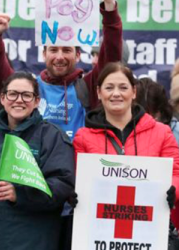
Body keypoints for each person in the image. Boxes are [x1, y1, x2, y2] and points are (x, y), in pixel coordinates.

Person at [0, 0, 122, 141]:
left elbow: (111, 57)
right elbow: (0, 78)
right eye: (54, 50)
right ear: (44, 53)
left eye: (67, 50)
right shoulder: (30, 88)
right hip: (33, 165)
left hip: (76, 165)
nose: (60, 56)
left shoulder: (88, 87)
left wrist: (109, 6)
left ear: (78, 55)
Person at [0, 72, 75, 250]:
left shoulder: (52, 137)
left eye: (26, 95)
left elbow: (62, 185)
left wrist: (20, 194)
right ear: (2, 98)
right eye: (13, 94)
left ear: (36, 101)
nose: (19, 100)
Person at [73, 62, 179, 229]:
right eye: (109, 88)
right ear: (99, 93)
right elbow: (77, 180)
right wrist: (73, 194)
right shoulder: (83, 137)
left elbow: (176, 173)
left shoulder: (162, 133)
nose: (116, 94)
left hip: (150, 227)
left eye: (123, 87)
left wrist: (173, 189)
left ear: (134, 92)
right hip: (100, 230)